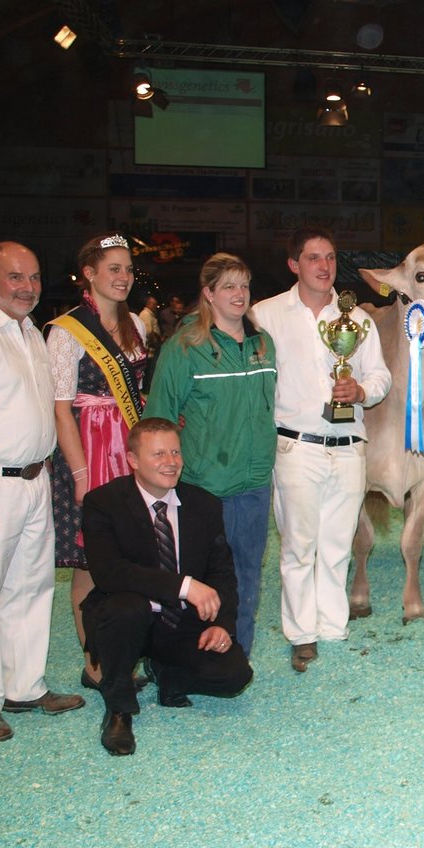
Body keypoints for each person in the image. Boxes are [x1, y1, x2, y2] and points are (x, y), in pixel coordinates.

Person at [0, 242, 84, 743]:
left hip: (34, 481)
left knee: (31, 589)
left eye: (33, 277)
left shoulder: (31, 334)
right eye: (14, 277)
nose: (27, 287)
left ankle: (25, 686)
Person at [251, 226, 391, 673]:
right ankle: (301, 633)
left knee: (337, 544)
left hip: (349, 445)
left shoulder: (358, 319)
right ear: (294, 265)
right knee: (298, 546)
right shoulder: (265, 315)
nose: (324, 266)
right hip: (296, 445)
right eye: (314, 258)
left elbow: (382, 378)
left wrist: (361, 390)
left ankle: (332, 624)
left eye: (330, 257)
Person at [82, 418, 253, 756]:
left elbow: (222, 573)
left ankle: (166, 672)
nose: (171, 461)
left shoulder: (204, 504)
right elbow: (109, 573)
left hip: (181, 625)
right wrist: (184, 586)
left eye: (175, 451)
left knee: (234, 675)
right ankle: (119, 708)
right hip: (128, 620)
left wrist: (223, 625)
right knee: (126, 608)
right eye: (158, 454)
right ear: (132, 460)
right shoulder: (103, 503)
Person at [144, 253, 278, 657]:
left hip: (254, 483)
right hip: (206, 487)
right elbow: (160, 417)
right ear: (208, 293)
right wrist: (160, 483)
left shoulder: (262, 343)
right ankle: (192, 658)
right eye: (229, 287)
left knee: (248, 575)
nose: (239, 295)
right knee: (201, 578)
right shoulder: (185, 347)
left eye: (244, 286)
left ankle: (237, 656)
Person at [47, 233, 149, 689]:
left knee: (133, 557)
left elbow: (136, 392)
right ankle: (96, 664)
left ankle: (125, 653)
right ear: (89, 273)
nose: (124, 277)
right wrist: (81, 475)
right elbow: (61, 409)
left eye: (128, 269)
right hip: (87, 449)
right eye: (114, 269)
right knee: (89, 562)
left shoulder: (138, 327)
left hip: (129, 449)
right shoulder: (66, 331)